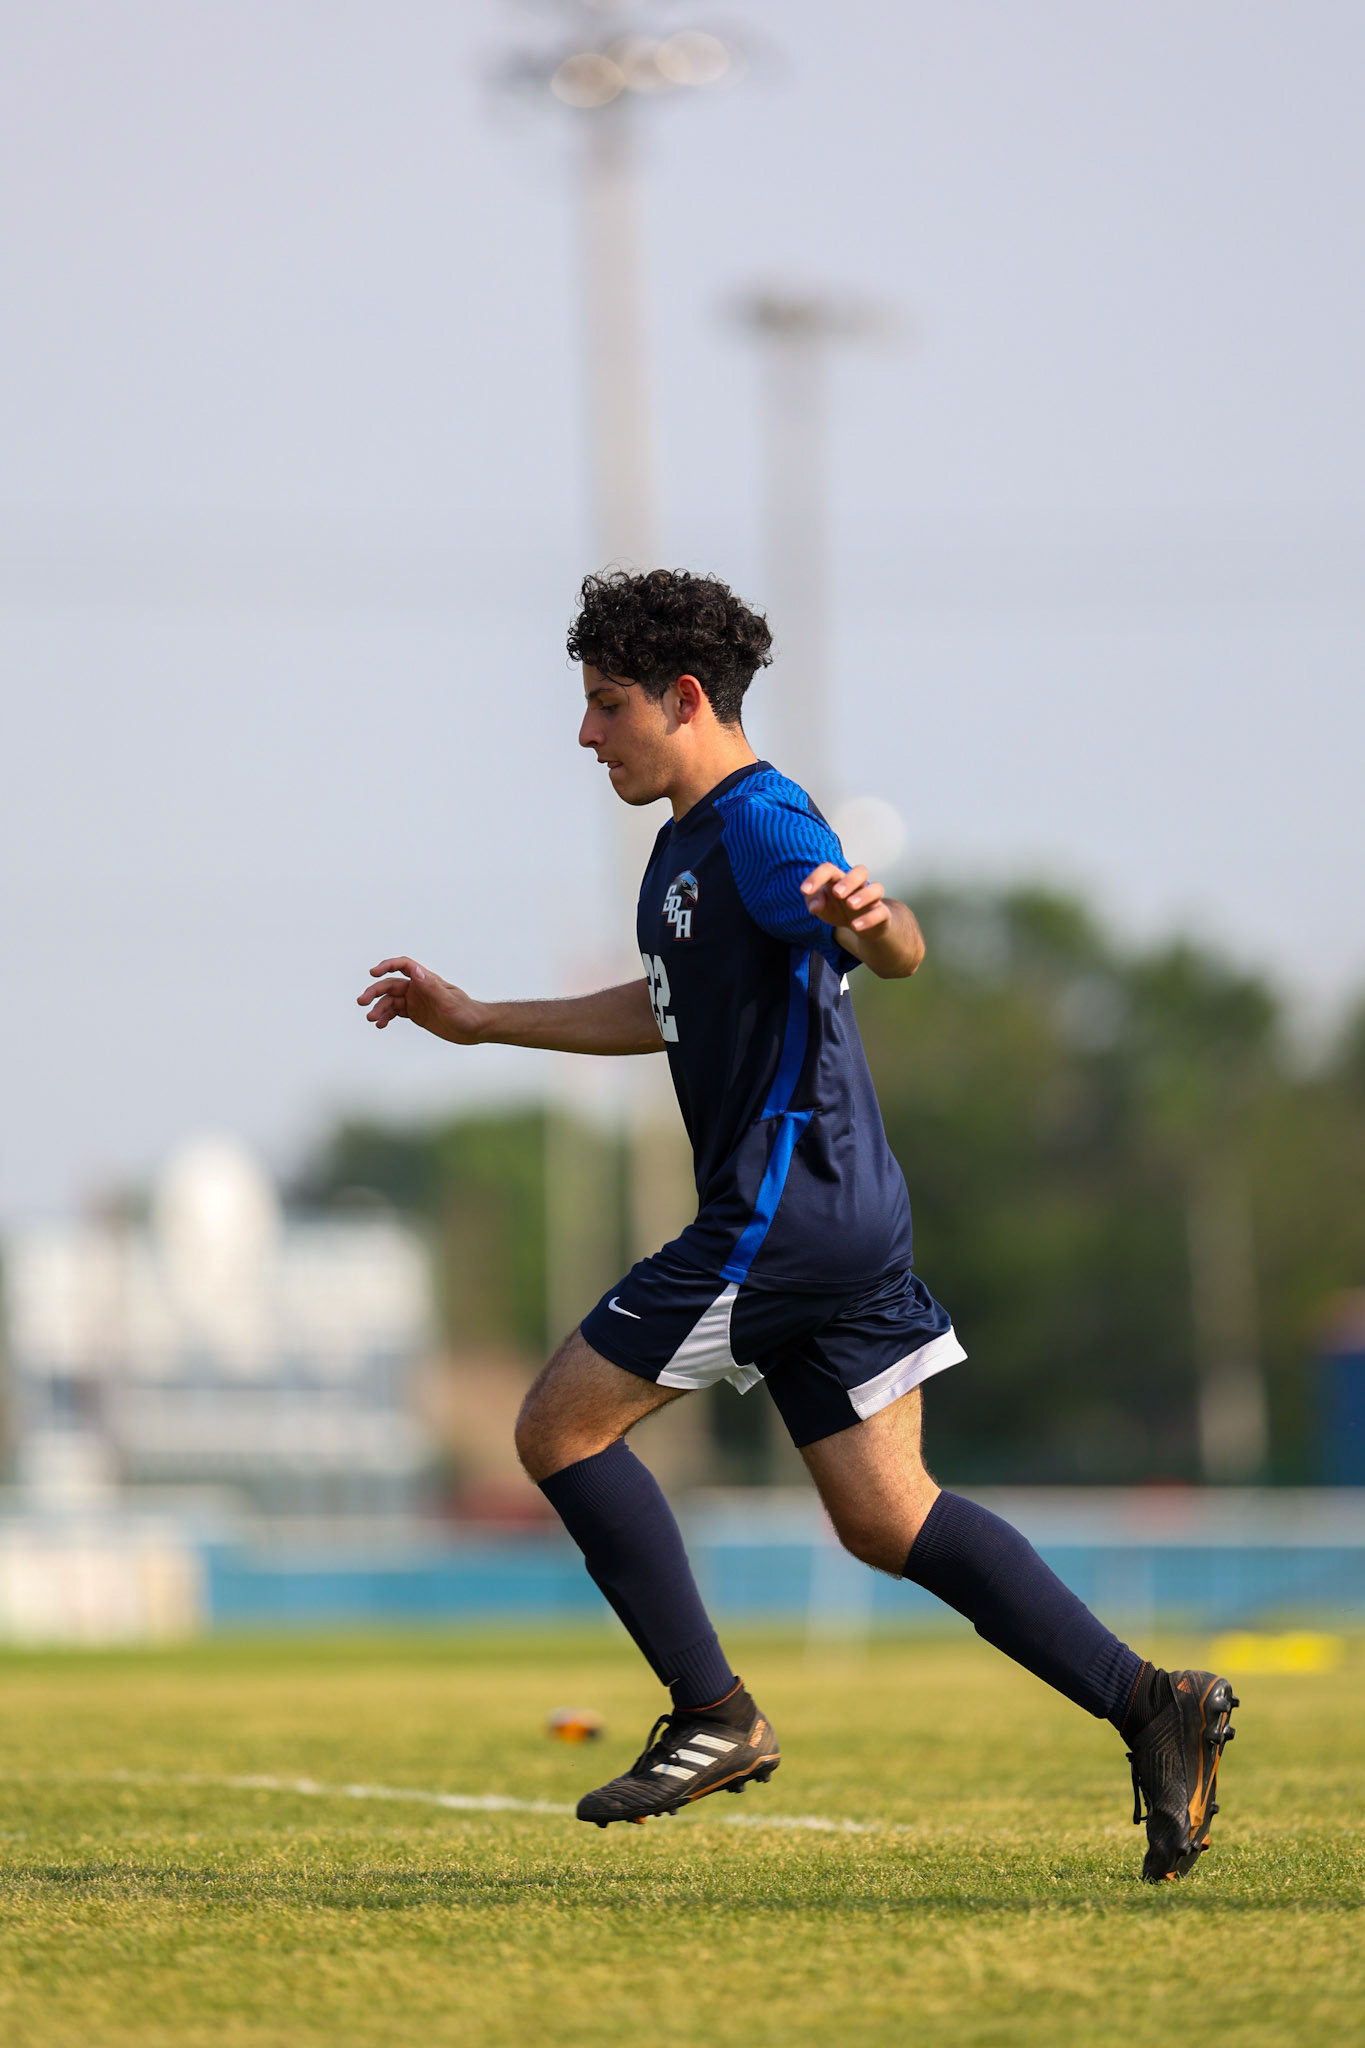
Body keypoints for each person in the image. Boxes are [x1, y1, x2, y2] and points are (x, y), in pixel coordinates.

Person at [358, 567, 1236, 1881]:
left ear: (684, 698)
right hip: (842, 1217)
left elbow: (891, 941)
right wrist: (484, 1020)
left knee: (557, 1426)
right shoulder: (685, 847)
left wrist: (877, 926)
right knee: (887, 1518)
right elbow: (668, 1007)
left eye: (607, 704)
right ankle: (1151, 1703)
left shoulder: (762, 824)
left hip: (786, 1215)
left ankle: (713, 1713)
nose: (585, 733)